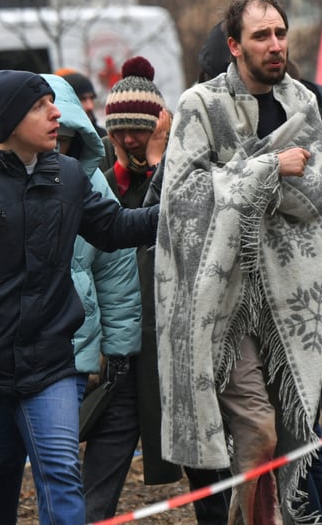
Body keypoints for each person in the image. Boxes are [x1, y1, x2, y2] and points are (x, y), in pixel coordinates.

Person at [0, 69, 158, 524]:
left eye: (54, 103)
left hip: (47, 362)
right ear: (9, 121)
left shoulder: (67, 176)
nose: (56, 115)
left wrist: (176, 211)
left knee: (62, 475)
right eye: (39, 107)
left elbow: (114, 227)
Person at [155, 0, 322, 525]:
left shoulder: (302, 102)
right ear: (235, 45)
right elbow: (183, 197)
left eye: (280, 33)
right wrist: (266, 171)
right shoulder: (200, 105)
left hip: (291, 296)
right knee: (256, 432)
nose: (275, 44)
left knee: (292, 428)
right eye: (262, 36)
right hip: (223, 302)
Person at [0, 73, 144, 522]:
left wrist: (120, 347)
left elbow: (117, 268)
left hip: (67, 349)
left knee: (59, 467)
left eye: (69, 137)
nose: (58, 143)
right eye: (56, 132)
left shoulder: (87, 185)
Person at [102, 55, 232, 524]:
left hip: (182, 330)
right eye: (119, 131)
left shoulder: (186, 154)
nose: (130, 140)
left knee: (200, 443)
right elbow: (108, 232)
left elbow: (185, 220)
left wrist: (160, 161)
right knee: (111, 443)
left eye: (139, 129)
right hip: (125, 336)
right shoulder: (104, 169)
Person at [56, 67, 108, 137]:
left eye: (92, 98)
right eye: (82, 99)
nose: (90, 106)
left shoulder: (102, 138)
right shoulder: (54, 139)